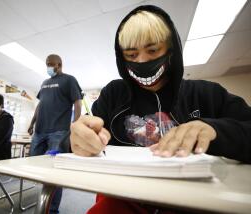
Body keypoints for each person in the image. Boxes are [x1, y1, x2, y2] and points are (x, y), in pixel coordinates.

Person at [69, 5, 251, 214]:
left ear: (171, 49)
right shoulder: (113, 95)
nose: (142, 61)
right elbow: (79, 143)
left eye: (153, 50)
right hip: (123, 197)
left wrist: (216, 131)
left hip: (195, 199)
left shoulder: (207, 94)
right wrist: (77, 138)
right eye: (132, 54)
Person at [27, 54, 82, 213]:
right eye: (47, 64)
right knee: (34, 165)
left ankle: (51, 210)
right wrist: (32, 122)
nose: (49, 67)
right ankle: (44, 197)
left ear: (59, 64)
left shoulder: (69, 79)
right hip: (39, 131)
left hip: (59, 131)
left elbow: (77, 102)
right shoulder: (44, 83)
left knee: (54, 170)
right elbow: (40, 104)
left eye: (51, 64)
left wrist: (76, 125)